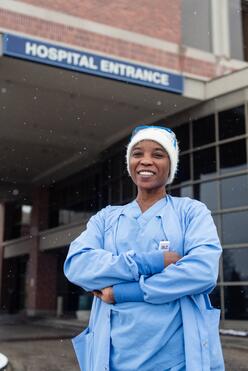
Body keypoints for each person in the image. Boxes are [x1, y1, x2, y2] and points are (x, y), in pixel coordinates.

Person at [64, 125, 225, 371]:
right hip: (114, 361)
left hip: (177, 362)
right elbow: (76, 264)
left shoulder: (190, 212)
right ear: (129, 162)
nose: (145, 161)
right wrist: (150, 262)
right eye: (137, 153)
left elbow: (202, 272)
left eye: (158, 154)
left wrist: (122, 293)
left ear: (170, 165)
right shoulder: (107, 218)